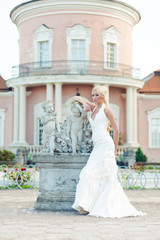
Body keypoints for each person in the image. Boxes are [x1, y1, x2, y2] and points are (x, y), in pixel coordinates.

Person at [72, 86, 145, 218]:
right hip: (97, 146)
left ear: (103, 97)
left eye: (96, 95)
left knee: (104, 175)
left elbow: (116, 130)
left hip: (106, 145)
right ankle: (88, 204)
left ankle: (98, 205)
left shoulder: (106, 110)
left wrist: (115, 150)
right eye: (93, 95)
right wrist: (85, 104)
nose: (94, 97)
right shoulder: (93, 108)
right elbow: (77, 97)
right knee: (88, 173)